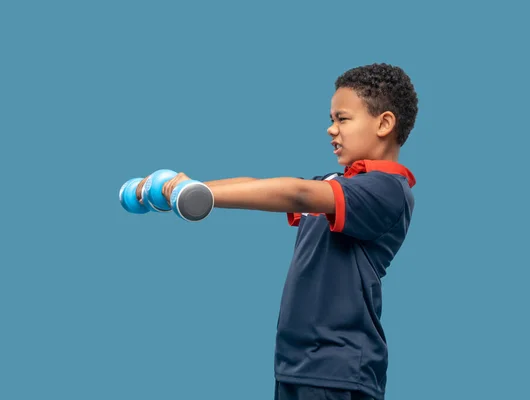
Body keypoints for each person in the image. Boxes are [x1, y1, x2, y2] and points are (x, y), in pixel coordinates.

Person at [145, 63, 419, 400]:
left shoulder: (387, 189)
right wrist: (183, 191)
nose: (331, 130)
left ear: (384, 123)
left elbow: (297, 193)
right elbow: (261, 186)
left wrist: (199, 193)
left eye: (342, 119)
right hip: (297, 363)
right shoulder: (339, 184)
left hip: (338, 369)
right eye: (332, 120)